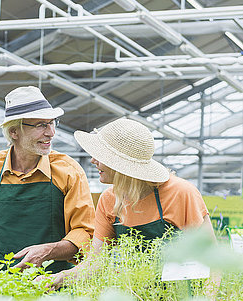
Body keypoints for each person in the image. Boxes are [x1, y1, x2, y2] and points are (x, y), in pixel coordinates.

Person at [42, 117, 218, 289]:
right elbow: (95, 263)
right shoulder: (109, 199)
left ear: (120, 165)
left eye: (100, 156)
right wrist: (60, 278)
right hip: (136, 299)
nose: (93, 161)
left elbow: (214, 261)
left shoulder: (180, 193)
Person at [0, 86, 95, 272]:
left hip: (53, 285)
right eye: (40, 125)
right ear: (14, 132)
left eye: (52, 123)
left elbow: (85, 232)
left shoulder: (68, 171)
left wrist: (49, 250)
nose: (51, 132)